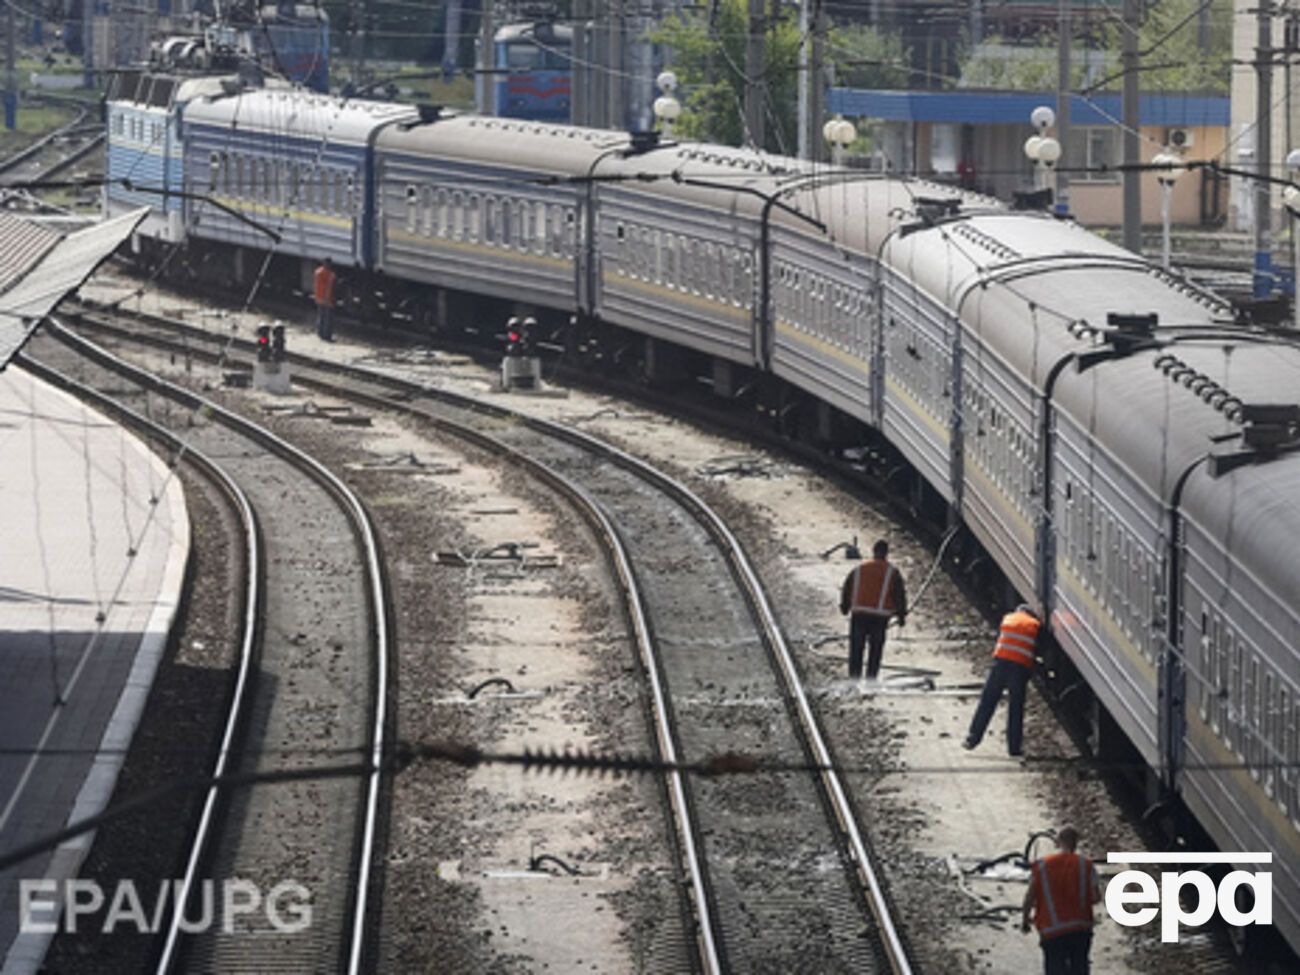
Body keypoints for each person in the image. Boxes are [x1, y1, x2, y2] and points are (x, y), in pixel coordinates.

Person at [1021, 826, 1101, 974]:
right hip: (1081, 930)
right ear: (1076, 842)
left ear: (1057, 842)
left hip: (1053, 932)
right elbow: (1096, 897)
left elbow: (1029, 898)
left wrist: (1025, 920)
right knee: (1079, 968)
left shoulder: (1042, 865)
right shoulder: (1086, 865)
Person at [963, 603, 1041, 756]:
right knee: (1015, 708)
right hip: (1019, 669)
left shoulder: (1008, 618)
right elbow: (1039, 649)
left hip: (1000, 665)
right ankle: (1014, 748)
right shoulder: (1035, 625)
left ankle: (972, 738)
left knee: (987, 701)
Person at [838, 539, 907, 681]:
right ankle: (871, 680)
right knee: (875, 651)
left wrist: (845, 607)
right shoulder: (892, 572)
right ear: (886, 553)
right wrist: (901, 616)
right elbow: (899, 595)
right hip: (879, 618)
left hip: (859, 615)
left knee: (856, 649)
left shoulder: (860, 569)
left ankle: (854, 680)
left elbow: (847, 587)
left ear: (873, 551)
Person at [314, 257, 337, 342]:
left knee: (320, 316)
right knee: (328, 319)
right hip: (327, 299)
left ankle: (320, 333)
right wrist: (328, 299)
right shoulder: (331, 275)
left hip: (319, 297)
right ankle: (327, 336)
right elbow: (329, 288)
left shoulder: (317, 272)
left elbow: (316, 286)